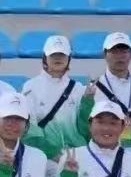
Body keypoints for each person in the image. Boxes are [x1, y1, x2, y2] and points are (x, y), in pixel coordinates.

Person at [21, 35, 86, 163]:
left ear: (69, 58)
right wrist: (53, 154)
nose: (58, 58)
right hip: (44, 156)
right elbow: (29, 130)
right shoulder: (30, 87)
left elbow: (85, 128)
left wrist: (88, 102)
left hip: (77, 155)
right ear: (45, 57)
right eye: (53, 54)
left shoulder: (79, 88)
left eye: (62, 54)